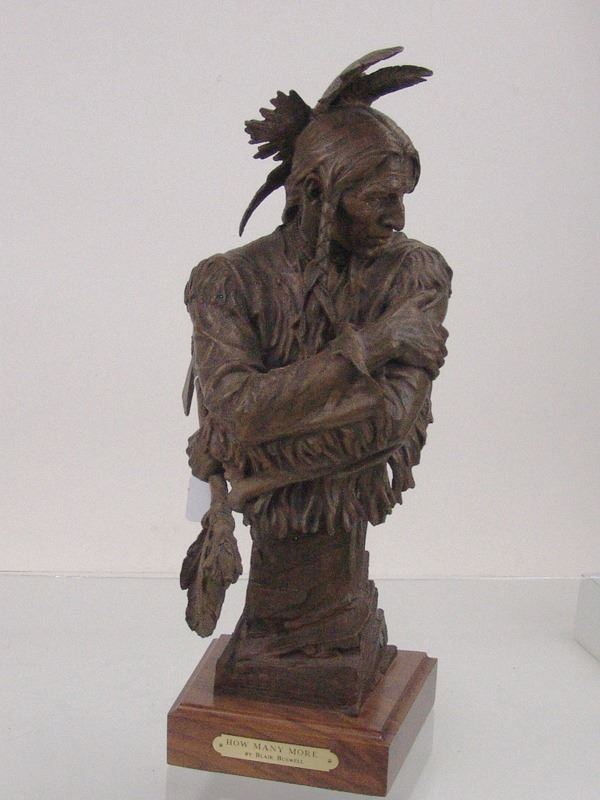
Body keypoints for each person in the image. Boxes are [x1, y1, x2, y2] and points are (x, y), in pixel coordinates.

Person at [181, 48, 451, 713]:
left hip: (337, 552)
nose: (398, 218)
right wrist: (374, 345)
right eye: (378, 198)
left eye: (403, 197)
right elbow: (237, 411)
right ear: (315, 196)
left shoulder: (415, 275)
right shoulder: (227, 280)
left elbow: (389, 423)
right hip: (277, 545)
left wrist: (255, 441)